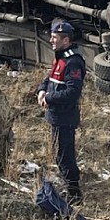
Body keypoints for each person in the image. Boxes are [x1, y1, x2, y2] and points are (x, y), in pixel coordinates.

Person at [36, 20, 86, 205]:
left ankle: (74, 192)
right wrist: (42, 89)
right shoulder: (60, 57)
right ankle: (69, 185)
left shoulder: (73, 62)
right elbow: (50, 78)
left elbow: (73, 92)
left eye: (55, 37)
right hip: (56, 115)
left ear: (66, 40)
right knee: (59, 153)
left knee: (65, 155)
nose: (51, 40)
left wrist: (49, 98)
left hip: (65, 116)